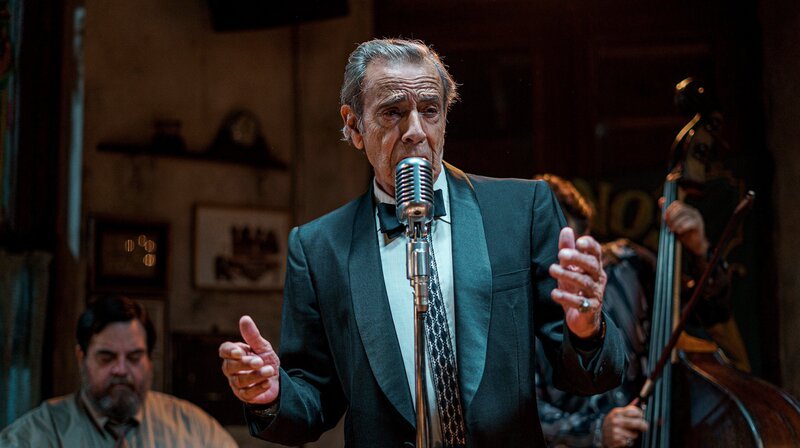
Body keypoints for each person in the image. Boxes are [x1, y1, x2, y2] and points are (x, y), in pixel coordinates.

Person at [217, 38, 626, 447]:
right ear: (355, 126)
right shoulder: (319, 247)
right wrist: (271, 395)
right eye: (393, 111)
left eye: (429, 110)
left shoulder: (521, 211)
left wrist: (587, 330)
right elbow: (314, 401)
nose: (415, 131)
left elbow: (588, 377)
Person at [532, 174, 750, 448]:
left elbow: (711, 312)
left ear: (587, 238)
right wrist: (595, 430)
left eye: (574, 251)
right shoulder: (519, 302)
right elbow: (520, 414)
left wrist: (699, 251)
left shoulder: (629, 265)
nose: (568, 270)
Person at [0, 295, 238, 448]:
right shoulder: (36, 434)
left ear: (149, 360)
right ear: (81, 358)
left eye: (134, 357)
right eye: (107, 357)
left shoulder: (194, 429)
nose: (121, 370)